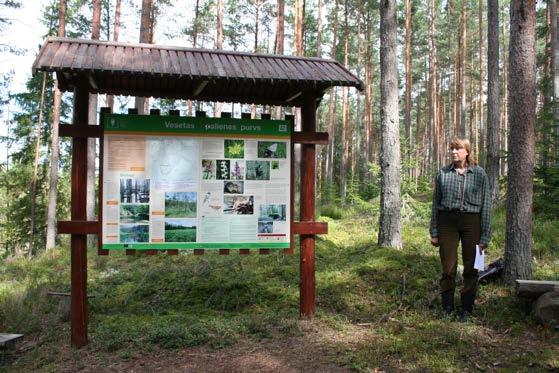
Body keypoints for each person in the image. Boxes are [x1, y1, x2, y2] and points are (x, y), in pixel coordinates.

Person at [430, 138, 492, 321]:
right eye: (452, 149)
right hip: (447, 222)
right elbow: (435, 204)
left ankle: (466, 309)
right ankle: (448, 308)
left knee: (472, 266)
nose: (453, 152)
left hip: (472, 222)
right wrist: (434, 232)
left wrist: (485, 236)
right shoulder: (443, 173)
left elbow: (487, 205)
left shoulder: (479, 174)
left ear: (467, 151)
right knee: (448, 267)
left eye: (458, 149)